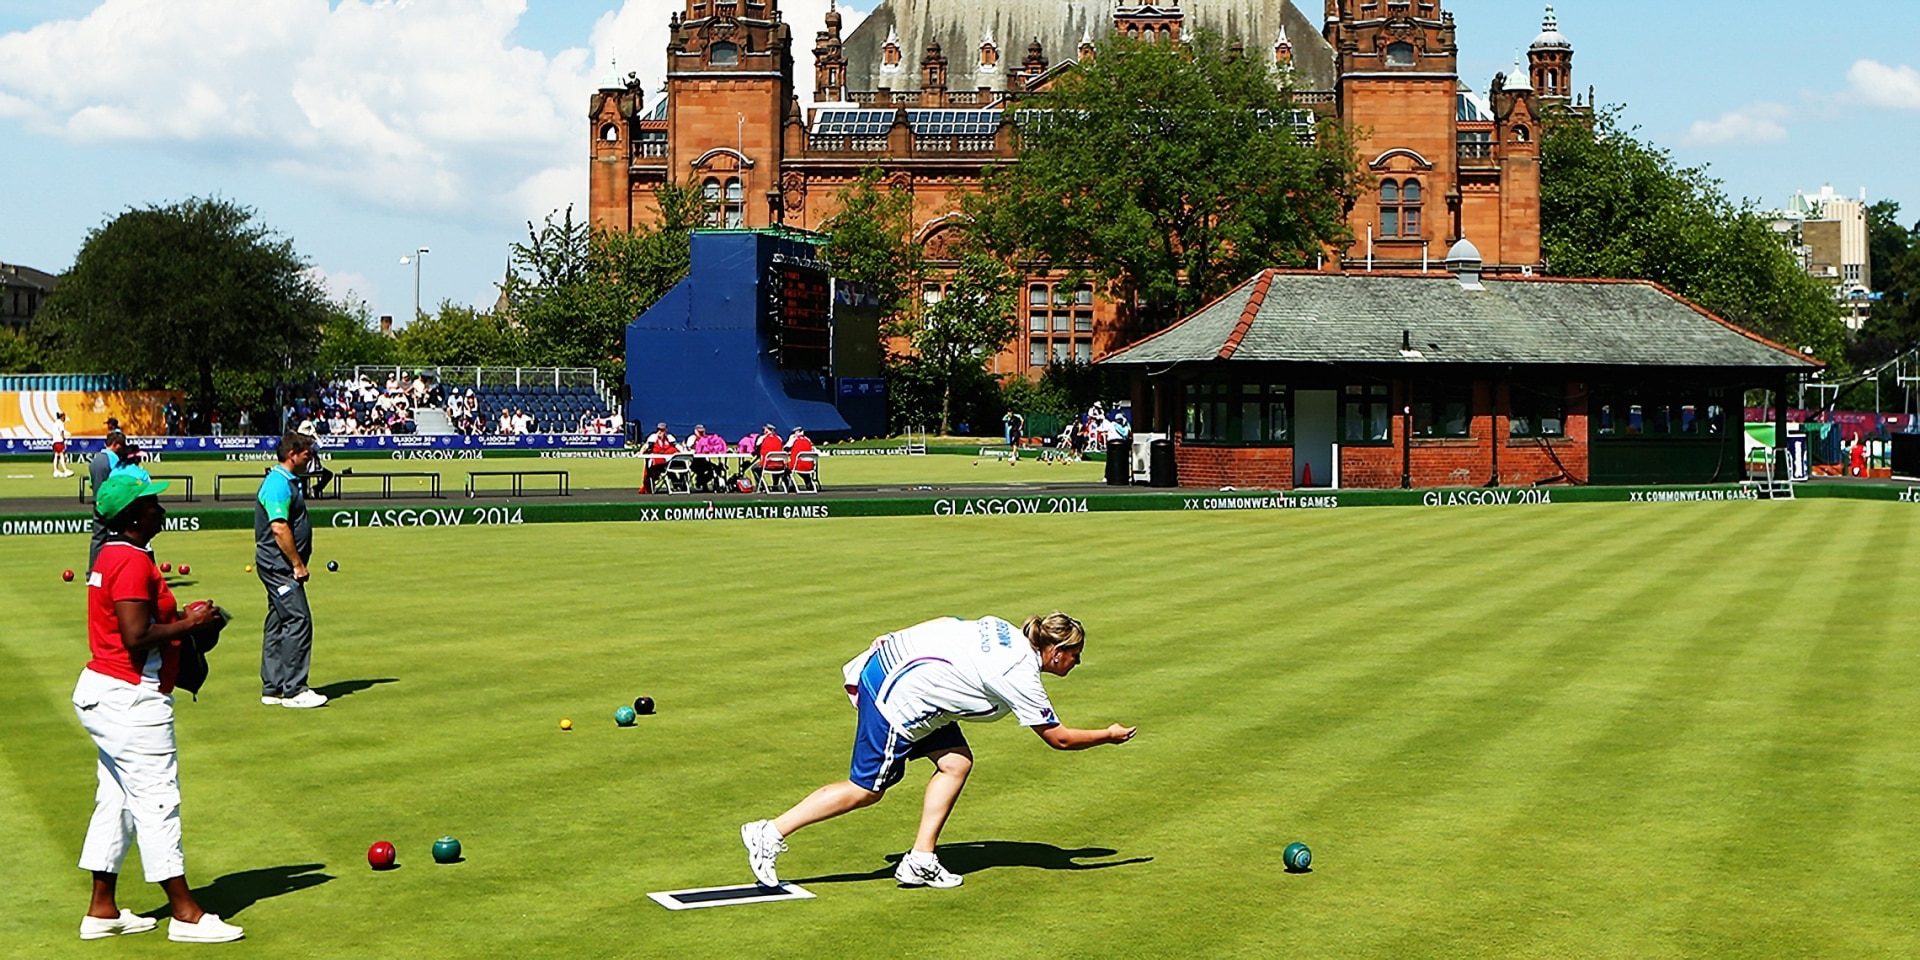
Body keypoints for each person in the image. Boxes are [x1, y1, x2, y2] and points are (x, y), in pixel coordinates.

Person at [740, 613, 1136, 889]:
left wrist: (895, 635)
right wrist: (1109, 734)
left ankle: (920, 860)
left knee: (956, 762)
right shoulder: (1020, 673)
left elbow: (948, 623)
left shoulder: (1004, 630)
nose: (1077, 661)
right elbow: (1059, 738)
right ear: (1054, 652)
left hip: (905, 673)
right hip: (897, 696)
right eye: (1075, 654)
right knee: (866, 789)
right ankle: (769, 833)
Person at [72, 474, 244, 943]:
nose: (160, 510)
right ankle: (186, 914)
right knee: (157, 800)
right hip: (131, 697)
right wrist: (190, 623)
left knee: (118, 801)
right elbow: (135, 635)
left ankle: (102, 910)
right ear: (132, 517)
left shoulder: (114, 554)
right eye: (152, 504)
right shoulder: (128, 561)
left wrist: (186, 622)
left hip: (106, 692)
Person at [255, 433, 327, 709]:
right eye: (307, 454)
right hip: (279, 566)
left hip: (278, 565)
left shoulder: (286, 482)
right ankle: (295, 690)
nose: (310, 459)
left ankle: (272, 687)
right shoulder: (277, 484)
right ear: (292, 455)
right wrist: (297, 564)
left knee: (279, 620)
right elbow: (279, 527)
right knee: (298, 620)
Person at [87, 431, 128, 571]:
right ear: (116, 445)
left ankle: (93, 573)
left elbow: (92, 484)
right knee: (119, 539)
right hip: (113, 505)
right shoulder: (114, 460)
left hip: (97, 502)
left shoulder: (95, 459)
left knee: (98, 538)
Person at [642, 423, 680, 492]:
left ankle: (680, 485)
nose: (660, 432)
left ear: (665, 430)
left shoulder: (669, 437)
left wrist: (683, 451)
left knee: (678, 465)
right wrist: (641, 452)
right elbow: (646, 446)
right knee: (654, 469)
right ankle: (650, 485)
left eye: (662, 430)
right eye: (658, 430)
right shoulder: (653, 437)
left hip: (668, 462)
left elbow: (677, 446)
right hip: (657, 463)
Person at [690, 424, 727, 492]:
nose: (701, 433)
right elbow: (689, 450)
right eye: (699, 431)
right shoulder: (692, 438)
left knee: (717, 469)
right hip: (695, 462)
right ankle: (701, 483)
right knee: (702, 469)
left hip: (705, 461)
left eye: (702, 431)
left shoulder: (707, 438)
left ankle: (702, 482)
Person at [786, 426, 817, 492]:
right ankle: (808, 481)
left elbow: (786, 448)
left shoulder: (794, 439)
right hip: (809, 466)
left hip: (797, 465)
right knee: (804, 467)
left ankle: (790, 485)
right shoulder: (808, 439)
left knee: (786, 468)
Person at [52, 411, 73, 477]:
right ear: (62, 417)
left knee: (56, 456)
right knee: (61, 456)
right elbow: (61, 432)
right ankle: (65, 470)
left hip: (55, 441)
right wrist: (63, 439)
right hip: (59, 441)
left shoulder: (55, 423)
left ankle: (56, 470)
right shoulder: (60, 423)